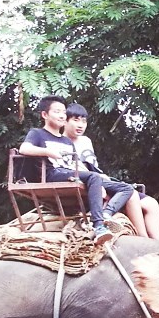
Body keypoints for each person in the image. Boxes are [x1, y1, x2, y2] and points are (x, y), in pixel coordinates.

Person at [64, 103, 159, 241]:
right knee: (131, 194)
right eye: (75, 120)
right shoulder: (61, 143)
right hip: (90, 183)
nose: (80, 125)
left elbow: (92, 166)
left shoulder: (85, 141)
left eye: (84, 121)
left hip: (101, 179)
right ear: (65, 120)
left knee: (151, 203)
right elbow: (69, 172)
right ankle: (143, 238)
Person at [17, 95, 113, 235]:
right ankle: (98, 225)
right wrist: (47, 152)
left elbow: (76, 164)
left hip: (68, 173)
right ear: (44, 114)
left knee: (96, 178)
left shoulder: (66, 141)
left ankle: (101, 215)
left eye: (63, 112)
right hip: (52, 174)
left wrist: (99, 179)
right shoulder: (37, 133)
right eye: (57, 112)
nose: (62, 116)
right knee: (93, 178)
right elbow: (23, 149)